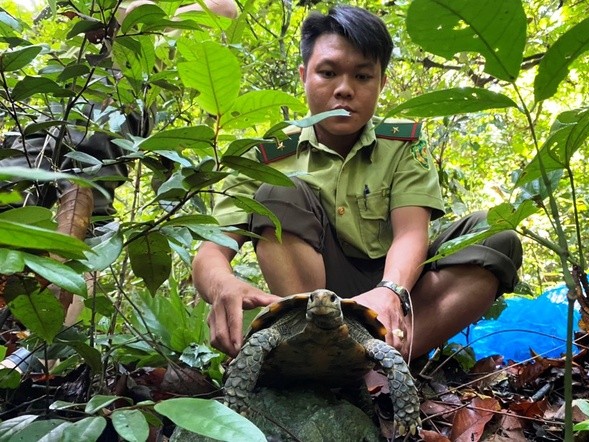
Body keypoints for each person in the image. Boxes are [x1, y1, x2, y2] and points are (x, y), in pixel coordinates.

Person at [192, 5, 523, 361]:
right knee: (278, 189)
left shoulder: (402, 143)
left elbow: (411, 231)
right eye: (328, 73)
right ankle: (318, 352)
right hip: (315, 298)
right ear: (304, 75)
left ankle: (379, 364)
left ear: (381, 82)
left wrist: (390, 290)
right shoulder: (267, 156)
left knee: (495, 236)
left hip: (398, 293)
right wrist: (222, 283)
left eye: (362, 77)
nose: (344, 90)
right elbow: (212, 249)